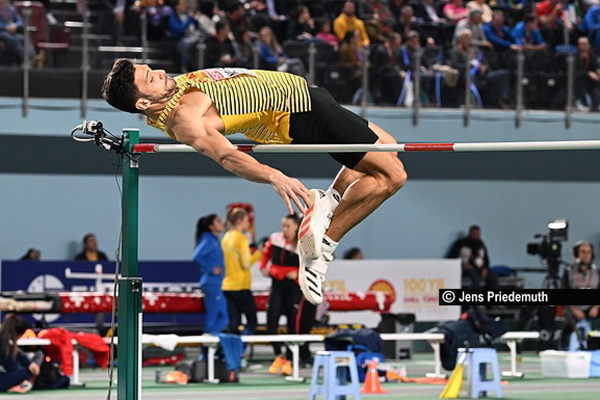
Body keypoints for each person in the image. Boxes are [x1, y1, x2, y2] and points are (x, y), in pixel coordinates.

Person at [100, 54, 407, 305]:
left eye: (151, 69)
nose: (160, 72)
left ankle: (328, 202)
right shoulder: (183, 118)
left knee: (388, 148)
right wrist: (273, 175)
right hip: (300, 113)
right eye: (151, 77)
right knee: (392, 176)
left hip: (304, 96)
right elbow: (226, 156)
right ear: (142, 103)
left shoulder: (170, 92)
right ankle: (322, 249)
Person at [260, 214, 316, 374]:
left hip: (294, 289)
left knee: (294, 325)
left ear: (297, 227)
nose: (284, 229)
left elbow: (311, 267)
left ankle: (291, 360)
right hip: (277, 286)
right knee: (271, 324)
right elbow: (266, 255)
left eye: (288, 226)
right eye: (283, 226)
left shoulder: (304, 244)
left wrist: (296, 273)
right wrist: (264, 267)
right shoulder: (275, 239)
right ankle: (279, 356)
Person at [221, 209, 262, 334]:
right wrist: (259, 253)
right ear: (239, 221)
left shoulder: (226, 237)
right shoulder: (241, 238)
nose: (249, 224)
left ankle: (232, 346)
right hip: (241, 286)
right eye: (246, 221)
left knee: (234, 323)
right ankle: (242, 344)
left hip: (227, 286)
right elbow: (246, 263)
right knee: (252, 322)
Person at [449, 29, 510, 109]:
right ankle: (472, 101)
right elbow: (456, 65)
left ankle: (502, 100)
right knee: (470, 76)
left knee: (503, 74)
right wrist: (471, 65)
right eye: (465, 38)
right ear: (460, 39)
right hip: (466, 75)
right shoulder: (456, 51)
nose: (467, 40)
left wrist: (483, 68)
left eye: (469, 38)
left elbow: (486, 64)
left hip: (482, 75)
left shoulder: (476, 51)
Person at [193, 214, 229, 334]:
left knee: (222, 317)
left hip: (216, 283)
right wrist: (211, 269)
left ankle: (209, 341)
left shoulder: (214, 240)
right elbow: (197, 256)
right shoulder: (209, 241)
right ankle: (207, 342)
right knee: (215, 317)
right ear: (211, 227)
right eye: (218, 221)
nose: (222, 223)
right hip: (211, 283)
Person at [560, 241, 600, 349]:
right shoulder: (569, 271)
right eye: (583, 252)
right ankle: (565, 346)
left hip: (593, 307)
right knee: (568, 318)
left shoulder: (597, 271)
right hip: (574, 307)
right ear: (576, 254)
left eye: (588, 252)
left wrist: (596, 307)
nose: (586, 255)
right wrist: (574, 308)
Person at [447, 225, 497, 289]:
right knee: (474, 275)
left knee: (493, 277)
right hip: (465, 269)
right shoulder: (461, 243)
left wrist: (485, 268)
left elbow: (486, 259)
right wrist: (463, 265)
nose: (476, 235)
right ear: (470, 233)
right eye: (474, 234)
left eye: (478, 234)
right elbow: (452, 258)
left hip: (479, 268)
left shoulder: (481, 244)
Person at [0, 314, 40, 393]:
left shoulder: (5, 342)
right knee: (24, 372)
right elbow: (11, 366)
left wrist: (29, 363)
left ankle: (13, 386)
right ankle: (11, 387)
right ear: (19, 334)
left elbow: (17, 355)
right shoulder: (4, 345)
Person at [574, 36, 600, 111]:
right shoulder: (574, 56)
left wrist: (598, 71)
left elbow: (596, 67)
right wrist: (588, 73)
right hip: (578, 82)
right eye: (581, 44)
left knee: (596, 93)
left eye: (585, 44)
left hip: (591, 82)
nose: (583, 47)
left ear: (588, 45)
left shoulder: (592, 55)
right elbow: (574, 72)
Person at [0, 0, 24, 64]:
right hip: (2, 32)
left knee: (21, 38)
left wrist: (15, 25)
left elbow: (20, 21)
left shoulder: (12, 8)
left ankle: (31, 55)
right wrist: (6, 27)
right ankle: (21, 57)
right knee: (10, 38)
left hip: (13, 32)